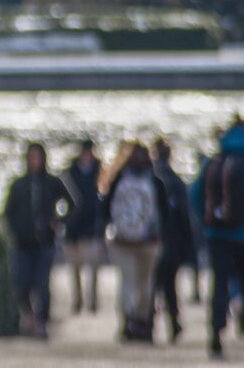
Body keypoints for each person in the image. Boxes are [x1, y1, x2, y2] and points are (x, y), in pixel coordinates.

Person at [189, 117, 244, 361]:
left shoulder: (211, 162)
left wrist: (209, 219)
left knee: (219, 285)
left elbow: (194, 194)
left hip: (217, 235)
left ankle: (216, 337)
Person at [3, 143, 75, 339]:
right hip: (22, 243)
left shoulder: (52, 182)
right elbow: (7, 212)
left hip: (45, 243)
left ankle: (42, 322)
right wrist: (16, 230)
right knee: (21, 284)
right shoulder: (19, 184)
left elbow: (73, 203)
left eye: (38, 156)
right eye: (31, 157)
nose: (34, 161)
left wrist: (59, 221)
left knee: (42, 284)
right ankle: (28, 316)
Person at [100, 142, 169, 343]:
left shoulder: (119, 178)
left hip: (122, 241)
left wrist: (105, 232)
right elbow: (164, 213)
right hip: (149, 242)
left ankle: (128, 320)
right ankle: (142, 321)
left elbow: (104, 208)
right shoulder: (155, 181)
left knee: (127, 282)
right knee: (146, 283)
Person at [151, 138, 193, 343]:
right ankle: (173, 323)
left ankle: (147, 325)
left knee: (152, 286)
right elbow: (185, 217)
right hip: (172, 242)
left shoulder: (150, 178)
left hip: (152, 241)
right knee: (170, 287)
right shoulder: (176, 181)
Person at [62, 138, 104, 314]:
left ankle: (92, 300)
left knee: (93, 267)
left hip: (93, 228)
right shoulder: (70, 173)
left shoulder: (100, 172)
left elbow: (104, 200)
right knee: (75, 268)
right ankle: (78, 299)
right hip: (73, 229)